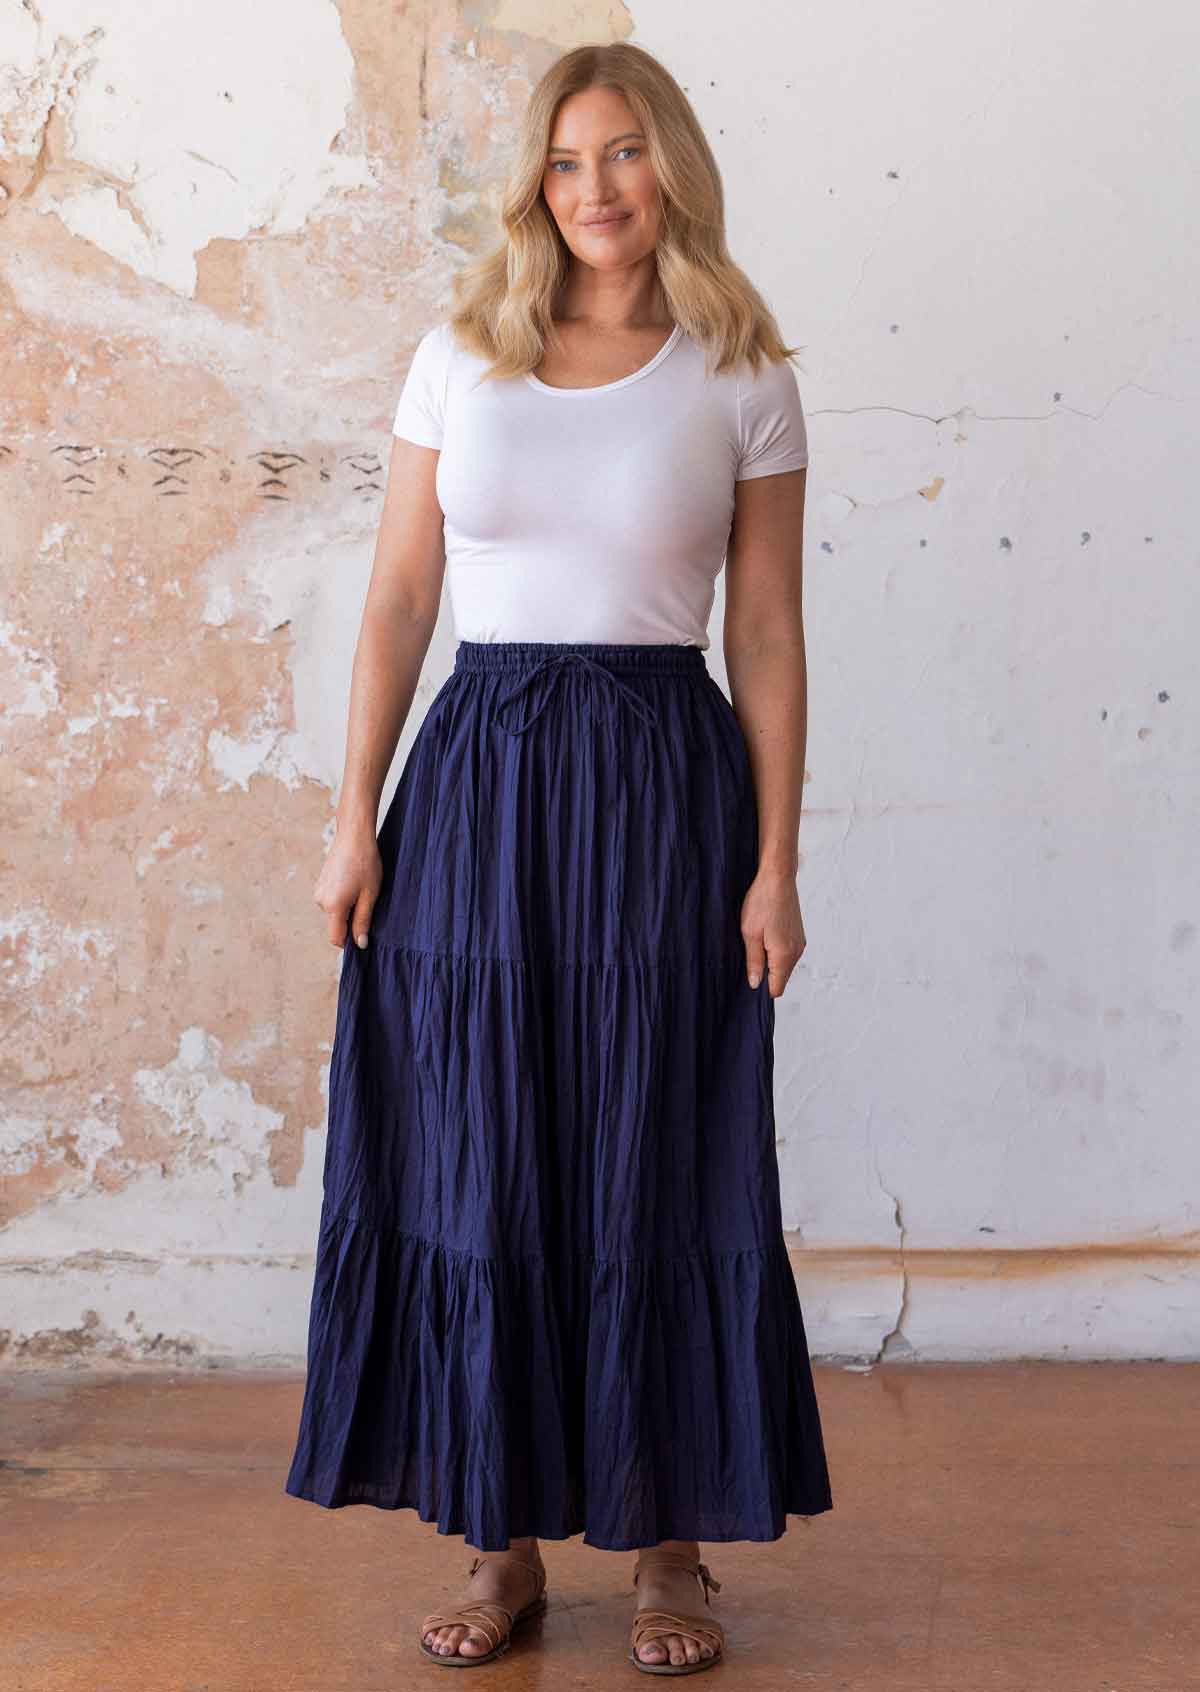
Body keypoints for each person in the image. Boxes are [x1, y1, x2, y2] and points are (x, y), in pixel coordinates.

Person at [284, 39, 833, 1676]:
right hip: (477, 787)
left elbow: (773, 636)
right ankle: (498, 1538)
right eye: (571, 160)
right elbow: (397, 602)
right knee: (478, 1145)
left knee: (658, 1140)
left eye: (627, 154)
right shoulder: (462, 355)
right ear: (537, 179)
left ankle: (673, 1549)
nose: (598, 190)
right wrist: (351, 814)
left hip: (667, 791)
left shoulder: (745, 372)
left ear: (673, 165)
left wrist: (778, 860)